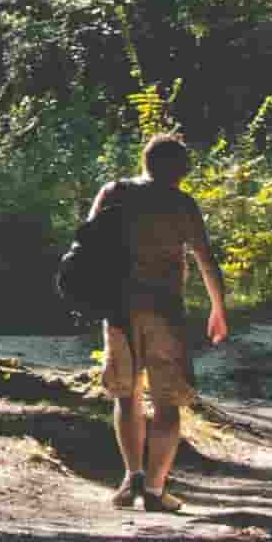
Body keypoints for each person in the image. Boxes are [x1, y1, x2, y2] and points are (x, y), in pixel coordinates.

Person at [92, 133, 229, 511]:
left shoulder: (114, 191)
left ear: (145, 161)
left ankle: (130, 479)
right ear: (182, 171)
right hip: (165, 310)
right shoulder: (182, 204)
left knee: (126, 393)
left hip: (119, 307)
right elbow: (205, 258)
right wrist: (218, 309)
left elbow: (87, 241)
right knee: (168, 402)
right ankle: (154, 490)